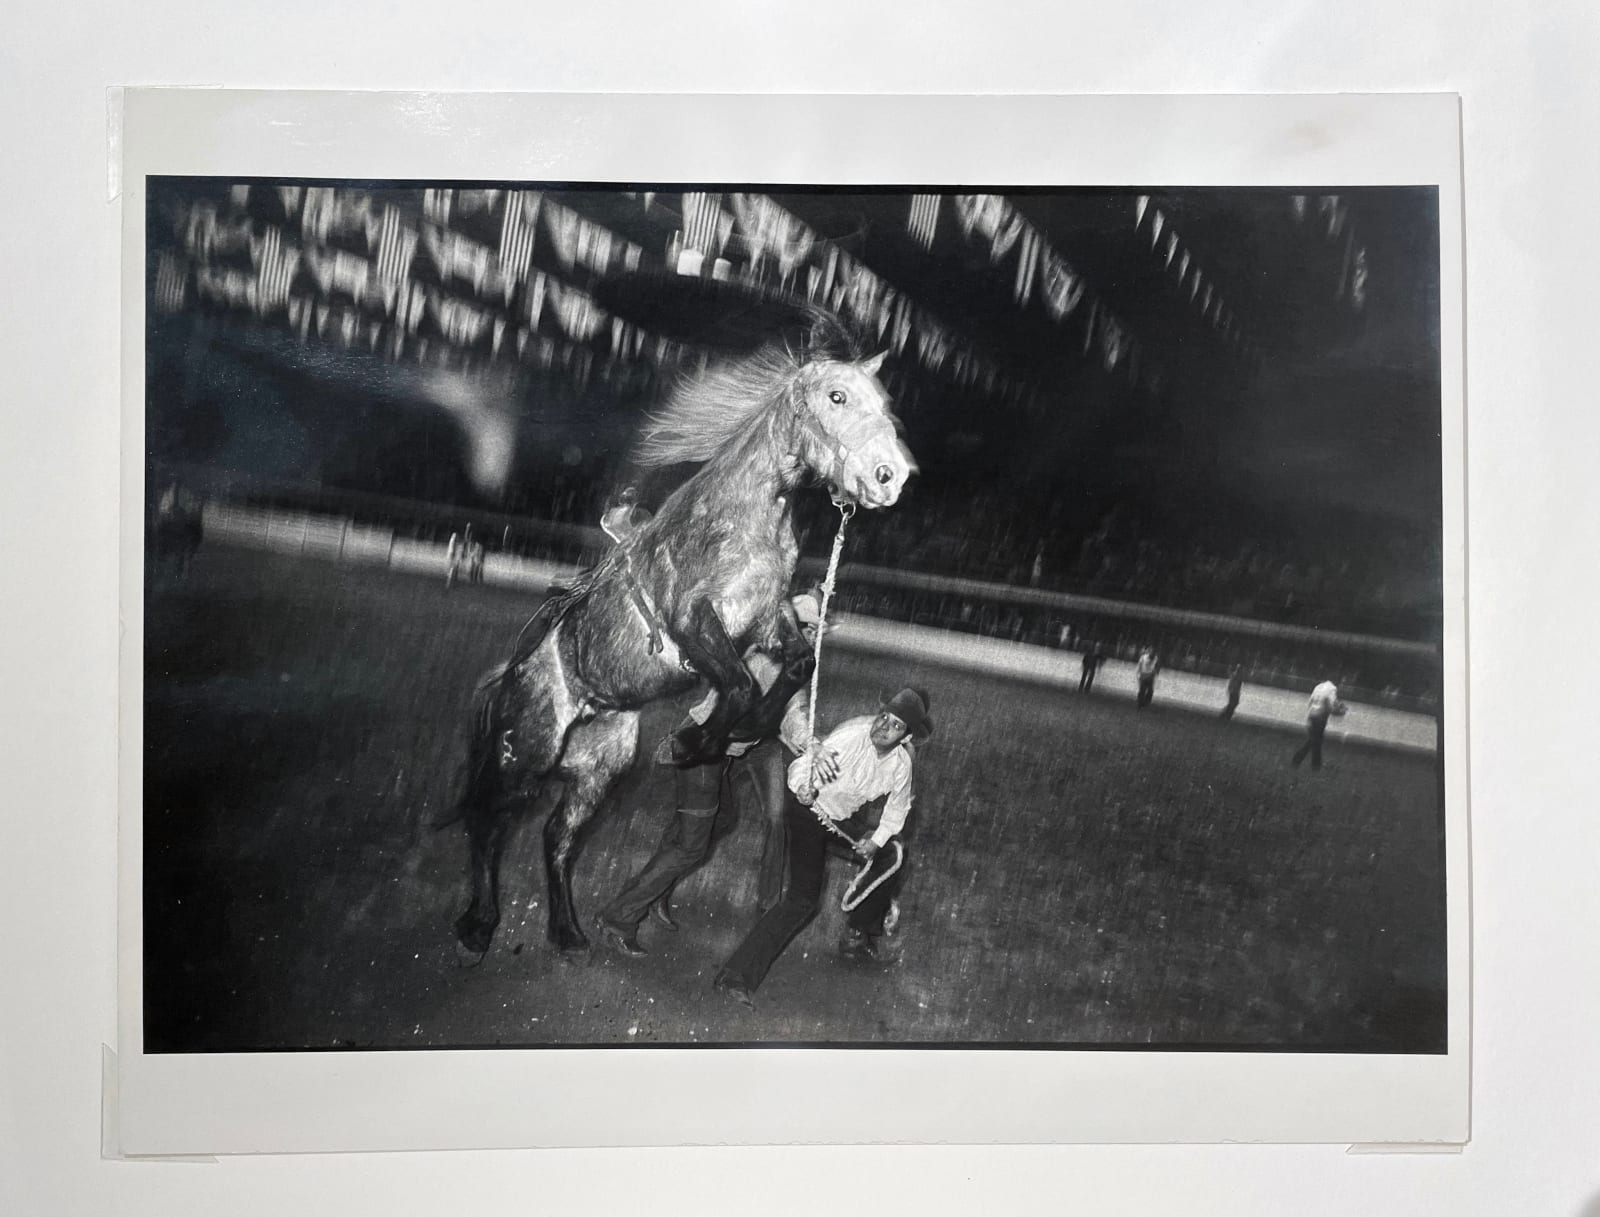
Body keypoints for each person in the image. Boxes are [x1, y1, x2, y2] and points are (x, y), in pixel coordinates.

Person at [592, 591, 825, 956]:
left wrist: (807, 741)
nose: (813, 639)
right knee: (691, 846)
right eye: (810, 631)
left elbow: (794, 712)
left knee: (722, 817)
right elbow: (746, 709)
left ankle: (654, 891)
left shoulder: (790, 666)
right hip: (704, 748)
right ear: (794, 629)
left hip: (719, 753)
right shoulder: (760, 659)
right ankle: (619, 917)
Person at [713, 687, 932, 1006]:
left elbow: (897, 809)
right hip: (808, 812)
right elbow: (803, 765)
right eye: (883, 716)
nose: (883, 726)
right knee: (802, 900)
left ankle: (858, 935)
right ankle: (736, 975)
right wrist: (803, 786)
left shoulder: (901, 765)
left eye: (895, 725)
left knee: (893, 853)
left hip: (841, 819)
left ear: (906, 738)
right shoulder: (851, 736)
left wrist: (875, 840)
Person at [1292, 678, 1348, 770]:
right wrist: (1341, 712)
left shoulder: (1319, 686)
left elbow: (1310, 702)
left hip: (1312, 715)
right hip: (1320, 717)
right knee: (1315, 741)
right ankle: (1309, 764)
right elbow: (1330, 706)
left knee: (1315, 741)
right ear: (1337, 682)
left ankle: (1311, 764)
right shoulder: (1333, 689)